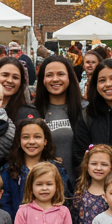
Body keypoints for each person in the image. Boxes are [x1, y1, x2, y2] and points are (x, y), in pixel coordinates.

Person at [35, 55, 84, 183]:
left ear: (69, 78)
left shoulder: (85, 109)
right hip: (43, 190)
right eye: (49, 75)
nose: (55, 79)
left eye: (61, 74)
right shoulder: (32, 112)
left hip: (78, 189)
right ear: (42, 79)